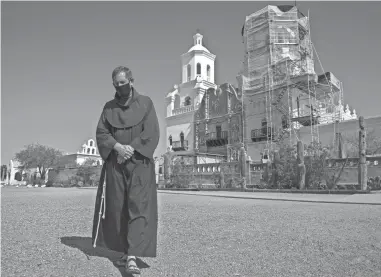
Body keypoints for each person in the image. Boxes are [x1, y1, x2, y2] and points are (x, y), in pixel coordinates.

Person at [92, 66, 160, 275]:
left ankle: (132, 256)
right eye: (116, 84)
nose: (119, 87)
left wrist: (131, 148)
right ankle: (123, 250)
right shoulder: (108, 107)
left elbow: (151, 131)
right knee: (117, 205)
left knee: (138, 206)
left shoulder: (146, 103)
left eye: (123, 83)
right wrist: (118, 147)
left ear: (131, 80)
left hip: (140, 164)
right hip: (116, 163)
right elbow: (102, 132)